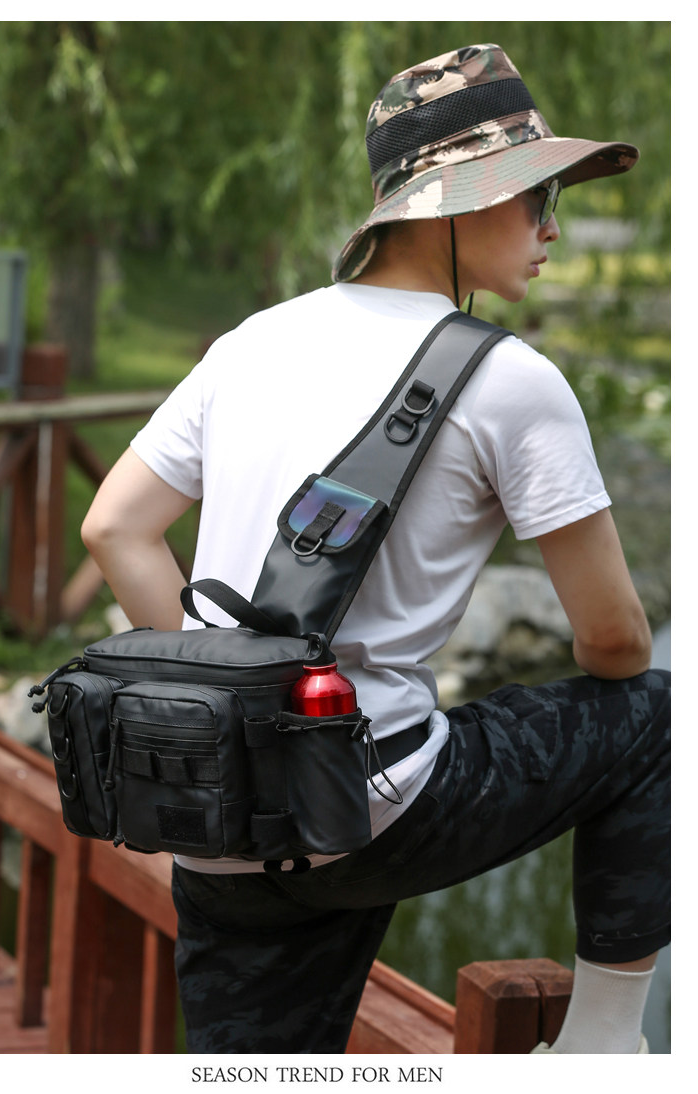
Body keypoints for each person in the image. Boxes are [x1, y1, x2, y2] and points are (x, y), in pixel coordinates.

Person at [81, 44, 670, 1054]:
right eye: (537, 200)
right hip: (374, 805)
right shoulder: (512, 381)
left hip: (214, 811)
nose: (552, 229)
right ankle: (605, 1049)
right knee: (658, 715)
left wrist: (229, 698)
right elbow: (615, 644)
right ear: (458, 204)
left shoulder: (250, 341)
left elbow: (113, 527)